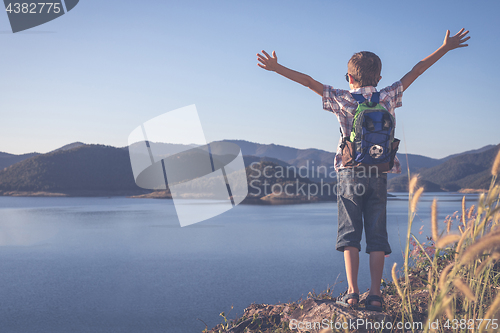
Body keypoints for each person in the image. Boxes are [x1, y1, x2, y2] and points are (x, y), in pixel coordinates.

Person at [257, 29, 470, 311]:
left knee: (350, 234)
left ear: (350, 77)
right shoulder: (388, 95)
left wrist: (276, 68)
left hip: (349, 175)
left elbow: (308, 81)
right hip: (379, 175)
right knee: (377, 235)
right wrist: (445, 48)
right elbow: (417, 70)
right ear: (378, 78)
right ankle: (375, 294)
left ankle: (353, 292)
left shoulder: (341, 98)